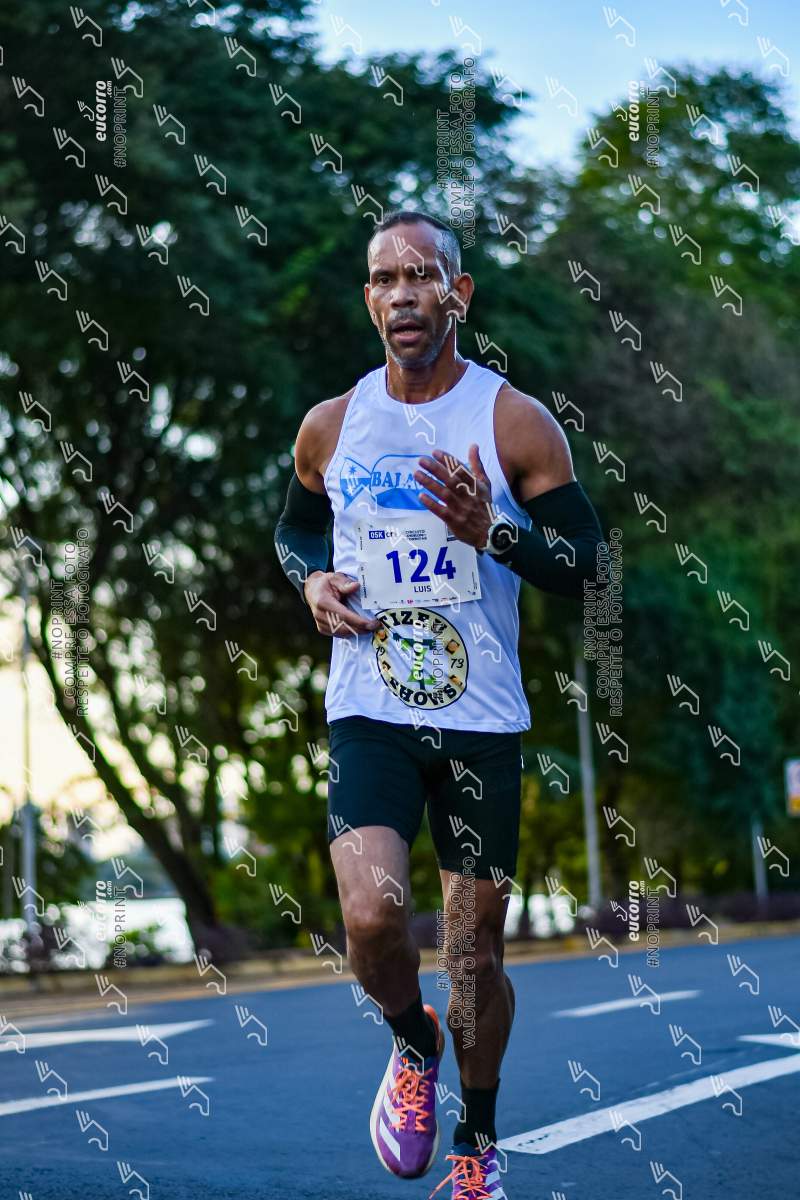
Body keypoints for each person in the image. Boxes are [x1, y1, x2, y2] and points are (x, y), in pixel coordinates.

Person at [274, 209, 605, 1199]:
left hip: (481, 724)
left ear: (457, 295)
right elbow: (296, 532)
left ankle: (476, 1142)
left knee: (472, 955)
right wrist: (308, 581)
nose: (403, 294)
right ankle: (410, 1042)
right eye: (385, 279)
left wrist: (490, 530)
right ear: (368, 300)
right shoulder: (330, 424)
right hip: (368, 709)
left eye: (422, 276)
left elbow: (587, 564)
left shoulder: (513, 422)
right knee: (372, 917)